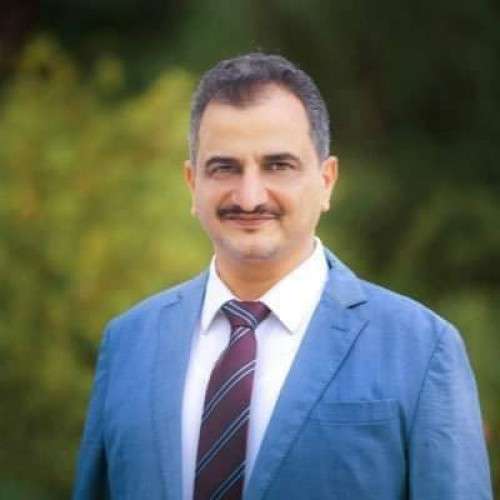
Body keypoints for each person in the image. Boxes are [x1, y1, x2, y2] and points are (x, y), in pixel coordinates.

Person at [73, 53, 493, 500]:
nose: (250, 197)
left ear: (327, 180)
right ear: (193, 184)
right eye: (225, 167)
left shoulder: (420, 348)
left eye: (278, 166)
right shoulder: (129, 343)